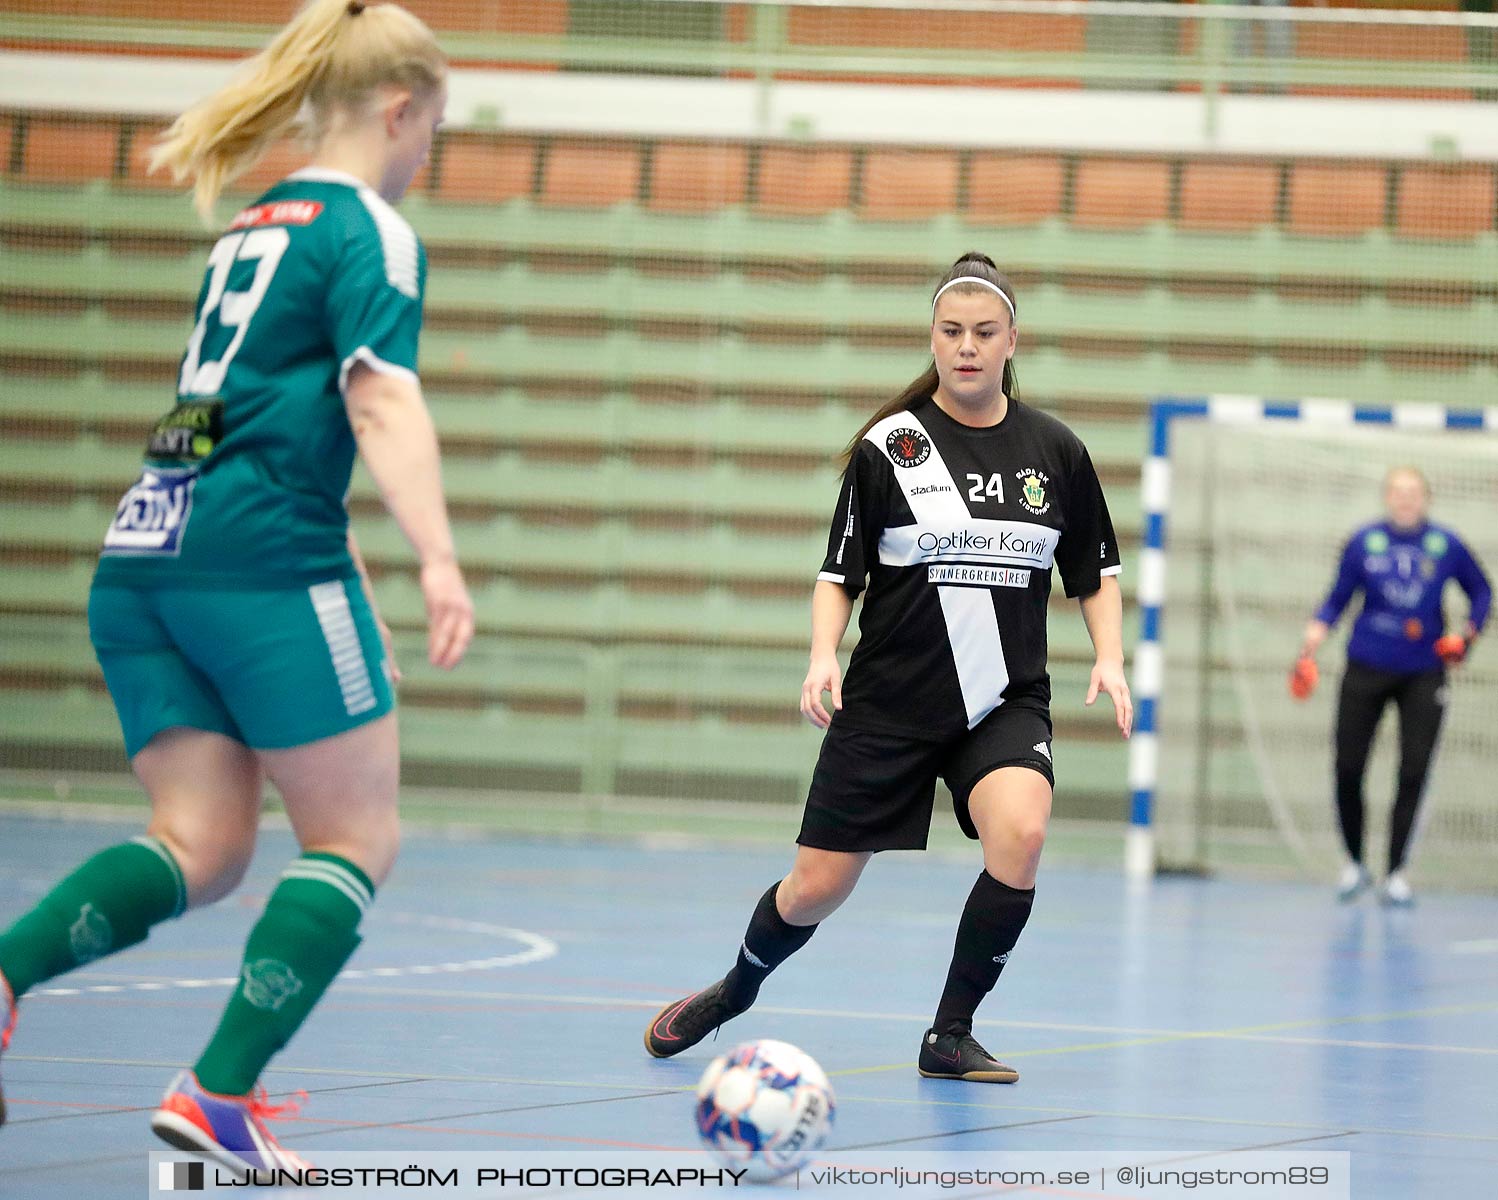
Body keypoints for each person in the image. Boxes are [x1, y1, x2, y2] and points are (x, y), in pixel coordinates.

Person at [0, 0, 473, 1173]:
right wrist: (437, 556)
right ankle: (217, 1095)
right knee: (357, 836)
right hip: (260, 563)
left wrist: (347, 545)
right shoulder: (371, 229)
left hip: (148, 551)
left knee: (204, 844)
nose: (426, 160)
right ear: (401, 110)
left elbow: (252, 413)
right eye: (432, 135)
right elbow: (377, 396)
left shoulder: (256, 222)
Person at [643, 252, 1132, 1083]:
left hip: (1001, 703)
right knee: (813, 890)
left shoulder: (1057, 451)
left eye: (984, 332)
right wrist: (820, 655)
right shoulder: (891, 448)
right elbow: (840, 576)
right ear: (932, 339)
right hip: (889, 709)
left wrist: (1112, 658)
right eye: (951, 332)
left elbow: (1095, 573)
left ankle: (950, 1033)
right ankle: (736, 988)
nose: (966, 347)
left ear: (1013, 339)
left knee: (1023, 833)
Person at [1292, 467, 1489, 907]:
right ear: (1386, 497)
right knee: (1347, 766)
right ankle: (1355, 863)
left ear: (1426, 497)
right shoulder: (1364, 542)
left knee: (1414, 769)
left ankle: (1397, 871)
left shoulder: (1446, 545)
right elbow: (1338, 597)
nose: (1405, 499)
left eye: (1413, 492)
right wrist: (1318, 628)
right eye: (1397, 492)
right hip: (1365, 666)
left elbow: (1482, 592)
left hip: (1424, 672)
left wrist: (1468, 635)